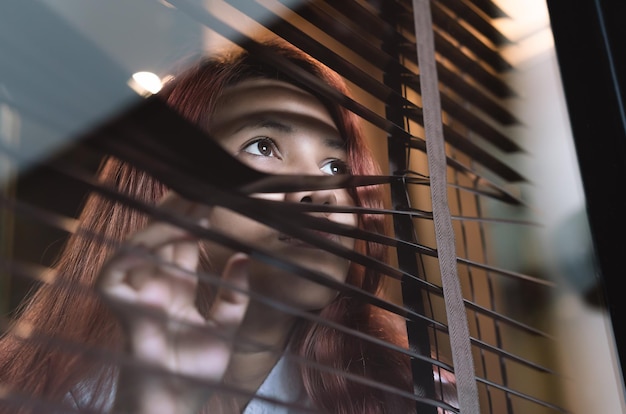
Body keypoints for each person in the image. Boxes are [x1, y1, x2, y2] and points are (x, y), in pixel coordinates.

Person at [0, 40, 452, 413]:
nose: (323, 192)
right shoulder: (42, 395)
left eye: (336, 167)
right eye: (263, 145)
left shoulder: (417, 398)